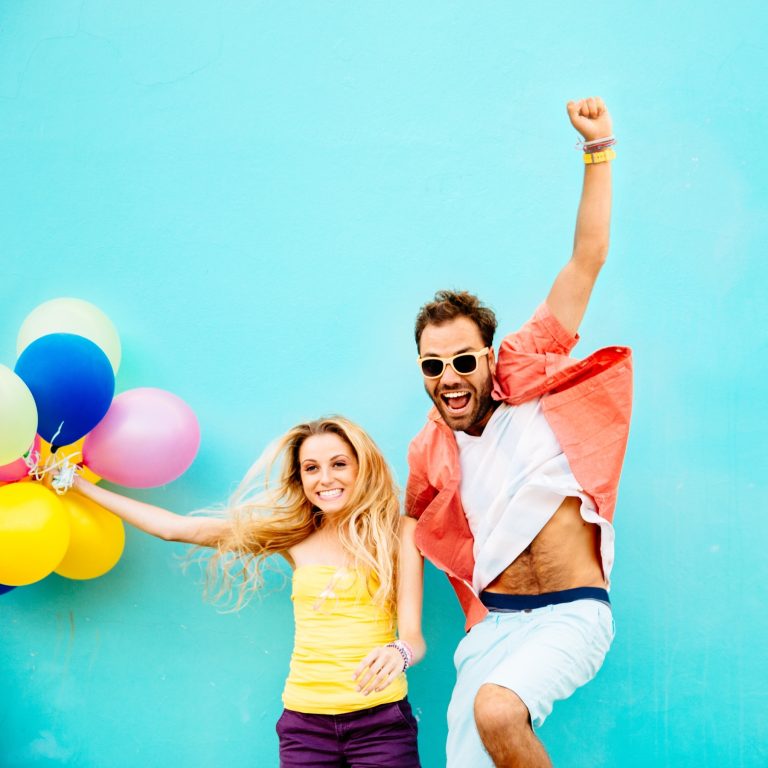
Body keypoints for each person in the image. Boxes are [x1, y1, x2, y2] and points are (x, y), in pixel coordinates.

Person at [406, 96, 632, 767]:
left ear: (488, 354)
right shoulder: (430, 449)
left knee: (498, 708)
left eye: (463, 360)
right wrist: (403, 630)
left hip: (573, 613)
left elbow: (586, 259)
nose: (450, 375)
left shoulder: (526, 370)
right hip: (496, 625)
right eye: (432, 365)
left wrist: (599, 148)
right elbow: (403, 524)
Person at [72, 416, 425, 768]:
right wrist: (77, 484)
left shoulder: (400, 533)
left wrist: (399, 652)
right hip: (306, 726)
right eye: (311, 468)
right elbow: (175, 529)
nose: (326, 479)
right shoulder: (296, 536)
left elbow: (413, 637)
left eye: (339, 464)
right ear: (300, 478)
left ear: (363, 467)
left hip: (381, 725)